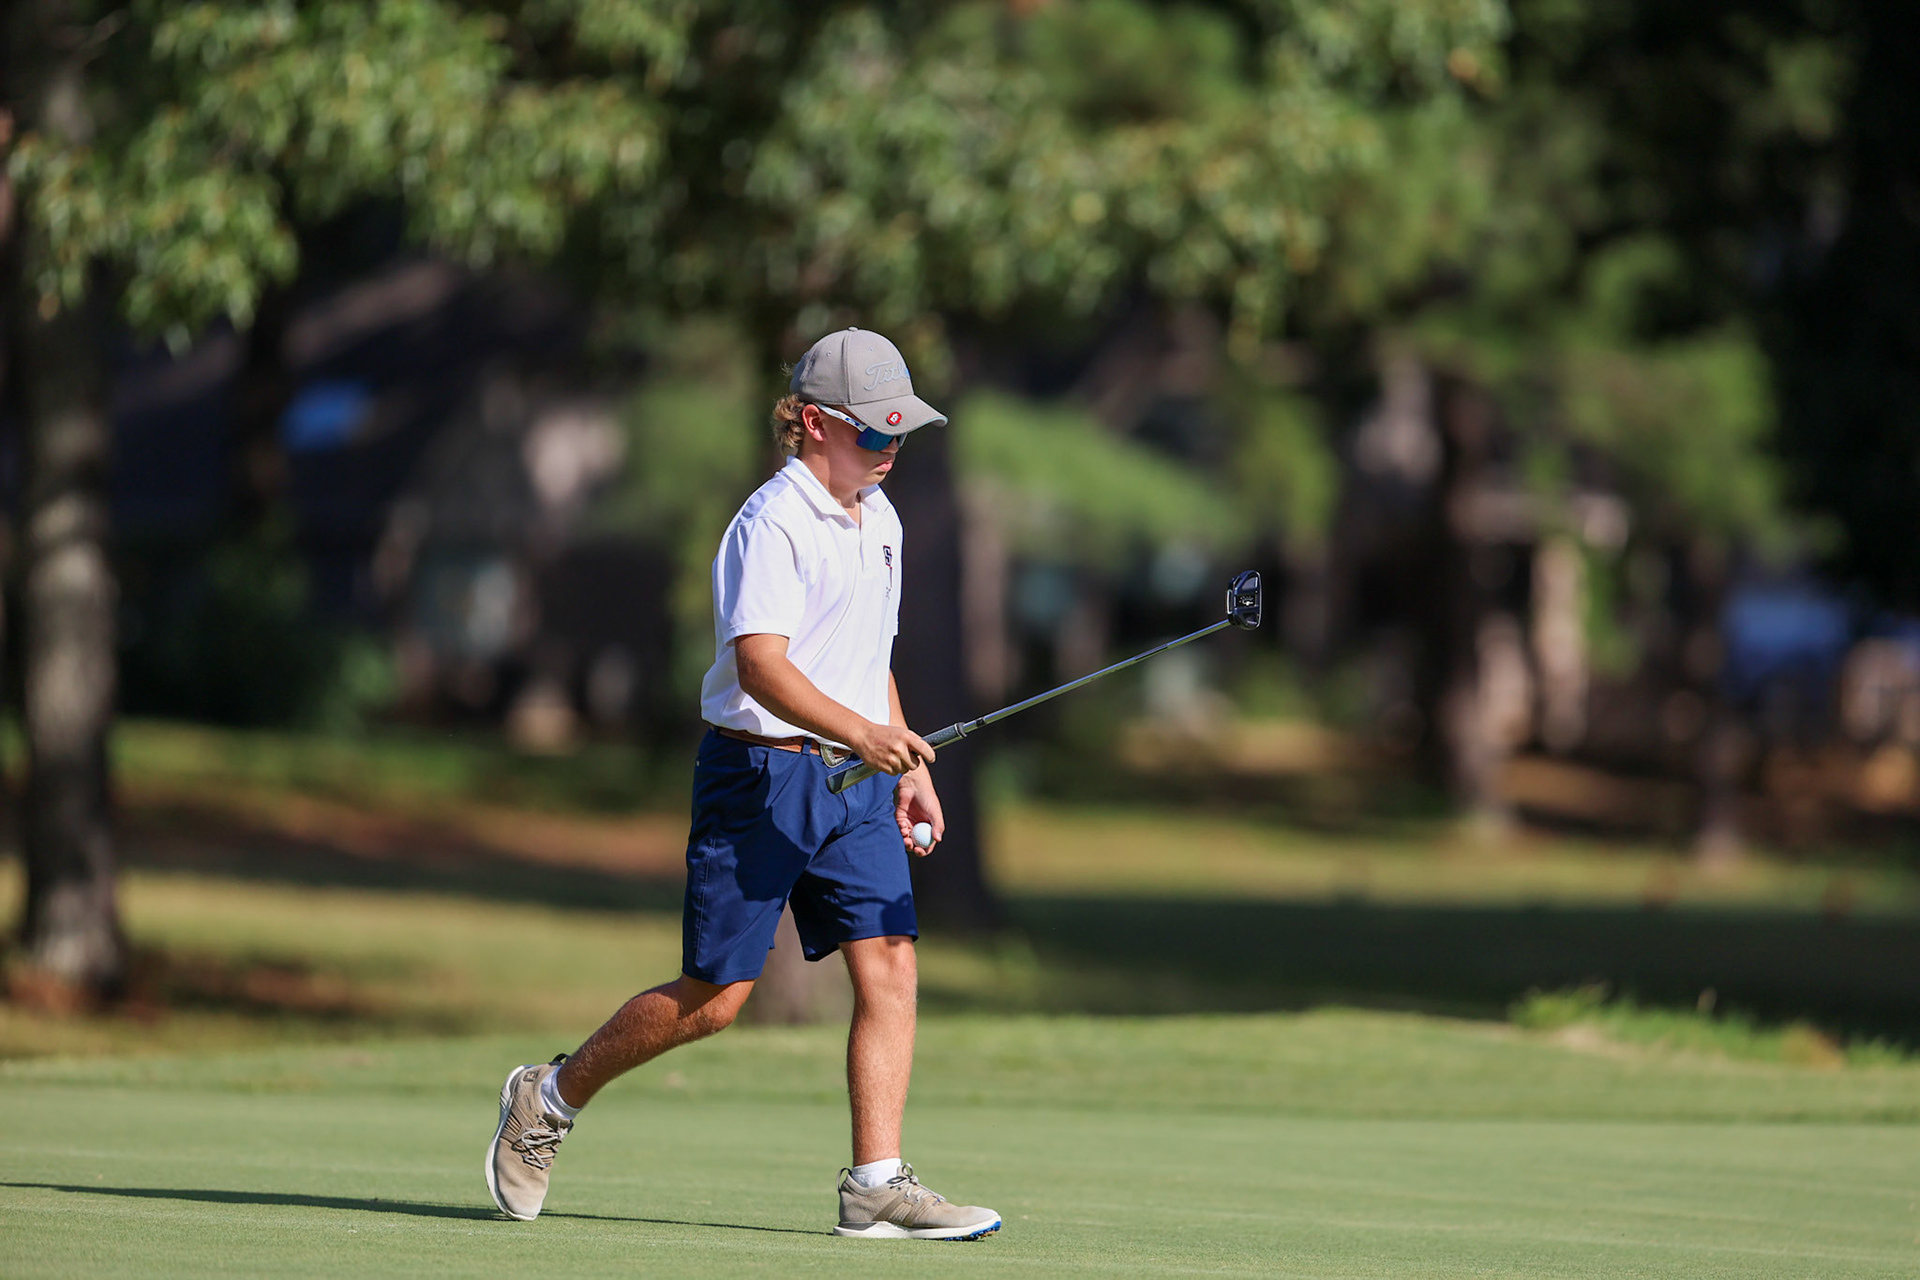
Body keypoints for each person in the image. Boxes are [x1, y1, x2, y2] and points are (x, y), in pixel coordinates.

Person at [484, 327, 1001, 1241]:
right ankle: (549, 1097)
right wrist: (864, 738)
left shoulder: (881, 520)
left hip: (854, 782)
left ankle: (876, 1183)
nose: (892, 451)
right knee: (715, 998)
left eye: (901, 434)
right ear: (813, 424)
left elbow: (865, 659)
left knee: (889, 966)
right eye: (876, 433)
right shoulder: (771, 523)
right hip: (759, 776)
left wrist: (906, 765)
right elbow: (762, 668)